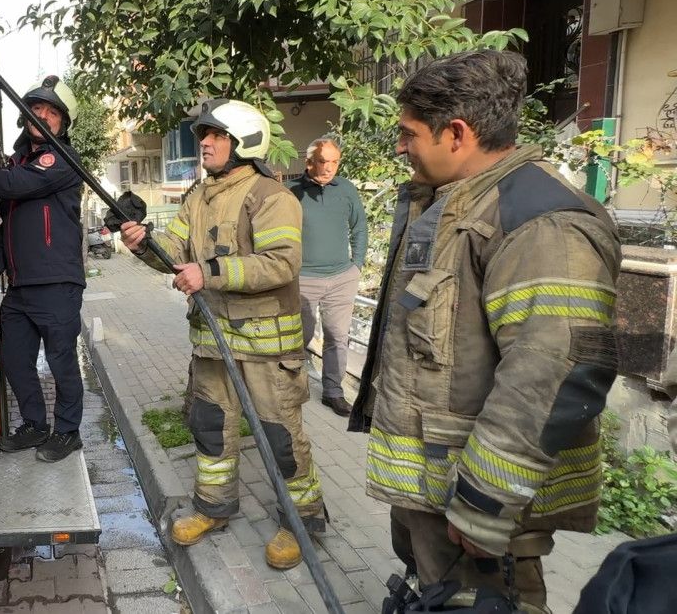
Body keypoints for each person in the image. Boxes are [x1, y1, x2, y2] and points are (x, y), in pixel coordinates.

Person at [349, 50, 621, 611]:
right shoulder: (458, 203)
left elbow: (553, 370)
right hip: (438, 491)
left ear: (456, 133)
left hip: (477, 506)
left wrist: (484, 501)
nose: (400, 147)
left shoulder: (541, 225)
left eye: (408, 134)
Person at [121, 99, 325, 570]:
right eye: (203, 136)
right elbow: (174, 252)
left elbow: (281, 263)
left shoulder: (271, 196)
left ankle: (303, 520)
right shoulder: (198, 196)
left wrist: (209, 272)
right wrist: (142, 244)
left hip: (266, 348)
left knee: (280, 437)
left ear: (244, 142)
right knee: (210, 426)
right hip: (213, 343)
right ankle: (214, 507)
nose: (205, 143)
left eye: (216, 135)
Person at [0, 75, 86, 463]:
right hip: (21, 287)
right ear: (25, 114)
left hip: (57, 284)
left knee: (62, 363)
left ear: (63, 124)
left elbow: (11, 185)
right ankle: (34, 425)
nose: (43, 116)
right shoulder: (20, 163)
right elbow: (9, 226)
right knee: (15, 359)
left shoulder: (61, 160)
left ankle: (67, 432)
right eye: (37, 108)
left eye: (53, 112)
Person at [285, 136, 367, 417]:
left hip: (342, 278)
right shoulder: (291, 192)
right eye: (323, 161)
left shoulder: (346, 189)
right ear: (309, 162)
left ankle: (333, 392)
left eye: (335, 162)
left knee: (337, 337)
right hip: (303, 279)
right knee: (299, 337)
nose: (329, 167)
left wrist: (357, 265)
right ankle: (291, 388)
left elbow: (359, 227)